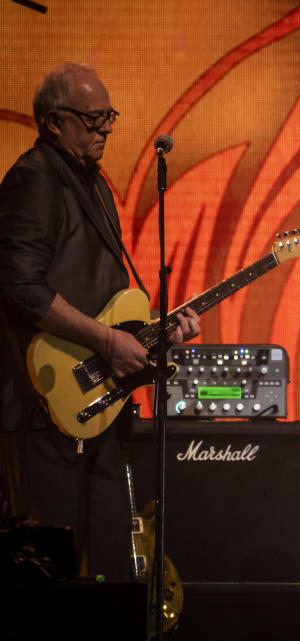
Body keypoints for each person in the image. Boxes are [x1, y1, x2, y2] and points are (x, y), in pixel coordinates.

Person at [0, 63, 200, 580]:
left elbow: (103, 298)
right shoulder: (34, 178)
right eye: (92, 119)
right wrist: (107, 341)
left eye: (107, 116)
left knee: (111, 562)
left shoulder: (92, 184)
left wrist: (155, 327)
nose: (105, 128)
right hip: (45, 402)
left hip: (99, 401)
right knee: (53, 565)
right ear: (52, 123)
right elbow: (19, 286)